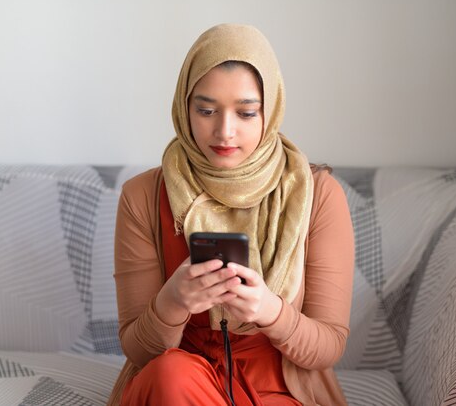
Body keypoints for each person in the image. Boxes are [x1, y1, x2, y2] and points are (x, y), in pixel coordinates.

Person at [107, 23, 354, 406]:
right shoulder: (142, 196)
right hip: (179, 382)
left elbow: (328, 346)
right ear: (183, 108)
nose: (225, 131)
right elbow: (139, 352)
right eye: (205, 110)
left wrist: (272, 312)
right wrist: (173, 301)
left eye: (246, 113)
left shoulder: (317, 194)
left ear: (269, 112)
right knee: (170, 375)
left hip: (280, 385)